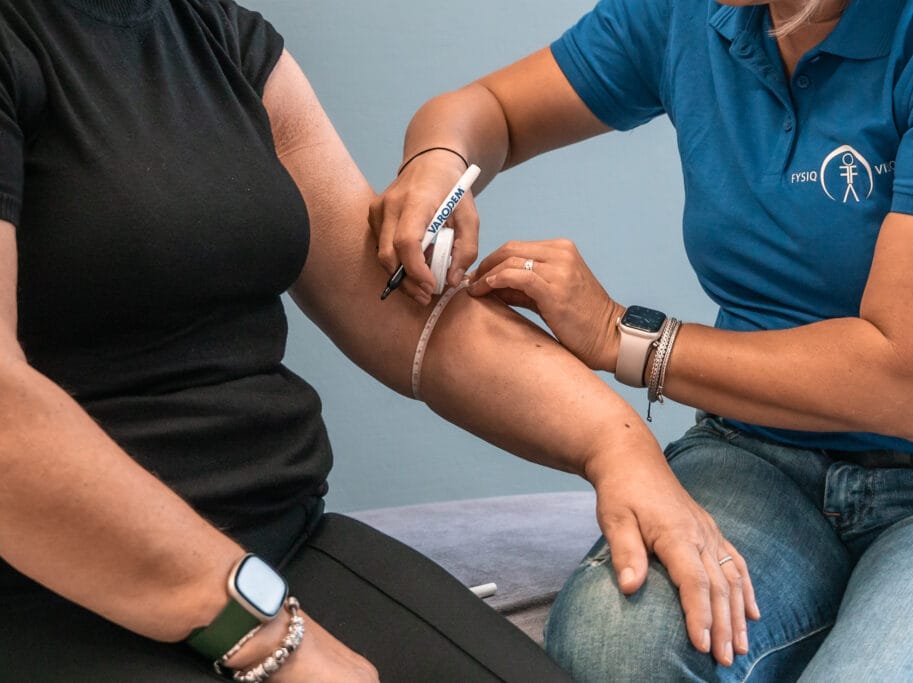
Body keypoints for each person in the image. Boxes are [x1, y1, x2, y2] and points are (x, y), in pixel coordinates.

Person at [0, 0, 756, 680]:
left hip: (286, 543)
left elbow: (395, 309)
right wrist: (266, 633)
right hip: (59, 585)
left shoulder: (219, 34)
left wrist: (617, 446)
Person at [369, 0, 913, 680]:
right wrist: (437, 164)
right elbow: (491, 110)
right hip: (761, 453)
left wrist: (621, 335)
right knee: (613, 647)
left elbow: (909, 384)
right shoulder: (693, 13)